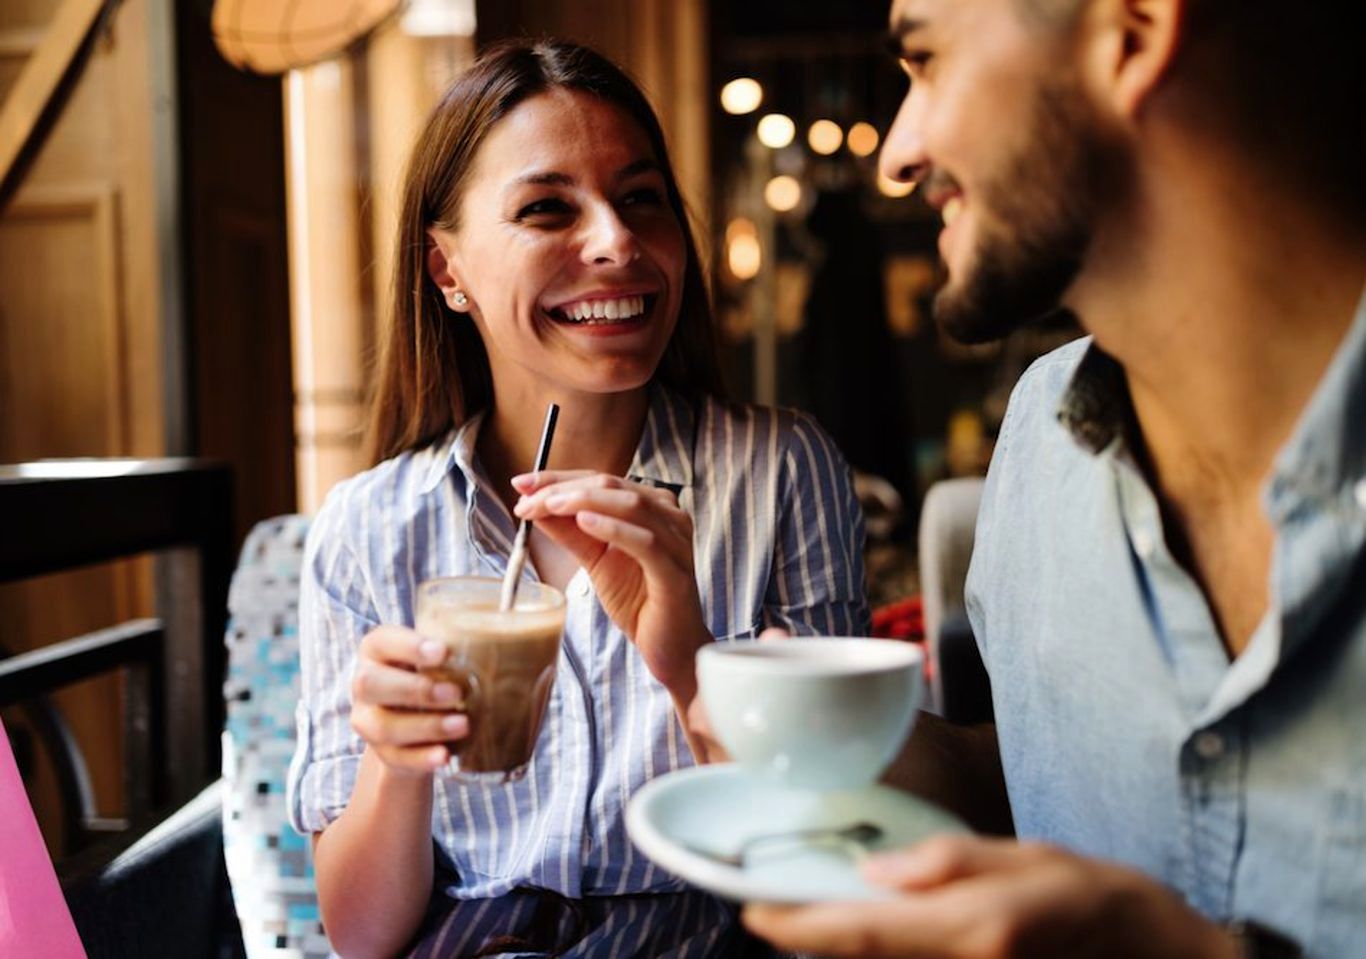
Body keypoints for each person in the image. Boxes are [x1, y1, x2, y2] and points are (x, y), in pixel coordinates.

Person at [737, 0, 1366, 956]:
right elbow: (1039, 784)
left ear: (1135, 33)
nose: (896, 154)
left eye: (927, 59)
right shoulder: (1038, 431)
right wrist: (827, 740)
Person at [284, 40, 868, 958]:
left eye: (642, 198)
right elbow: (362, 936)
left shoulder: (785, 471)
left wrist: (691, 667)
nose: (617, 241)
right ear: (448, 271)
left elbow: (834, 857)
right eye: (547, 208)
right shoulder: (367, 528)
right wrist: (395, 763)